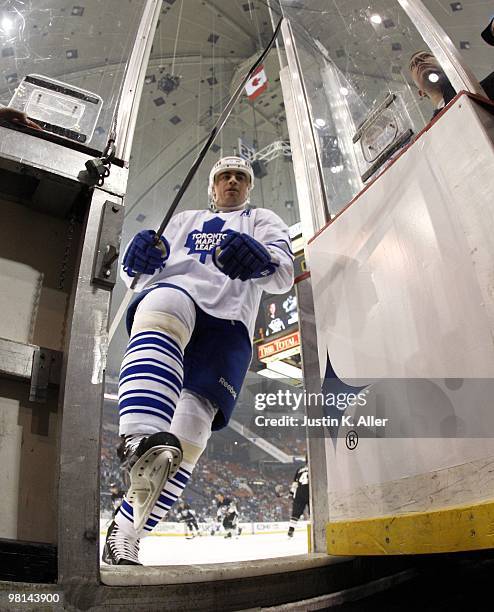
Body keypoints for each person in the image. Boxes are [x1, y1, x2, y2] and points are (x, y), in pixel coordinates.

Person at [102, 156, 294, 564]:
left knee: (190, 436)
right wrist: (132, 261)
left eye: (240, 177)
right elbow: (138, 276)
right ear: (212, 187)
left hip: (228, 325)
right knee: (164, 303)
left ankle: (127, 532)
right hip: (181, 297)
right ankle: (137, 435)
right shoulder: (184, 219)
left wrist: (261, 259)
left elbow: (283, 275)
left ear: (248, 187)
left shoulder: (261, 219)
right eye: (224, 176)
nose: (231, 181)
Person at [409, 44, 494, 119]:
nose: (419, 61)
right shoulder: (434, 130)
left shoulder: (487, 88)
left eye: (425, 56)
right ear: (421, 93)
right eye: (413, 65)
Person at [287, 461, 309, 538]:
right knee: (313, 512)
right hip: (310, 491)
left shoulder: (299, 469)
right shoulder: (314, 468)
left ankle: (291, 529)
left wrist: (291, 493)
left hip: (299, 492)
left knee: (295, 513)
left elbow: (295, 483)